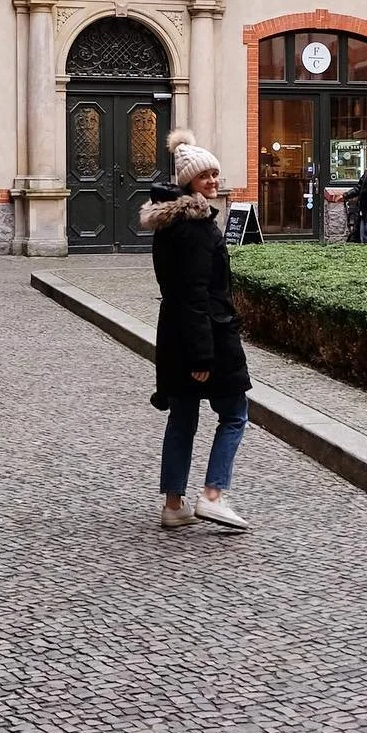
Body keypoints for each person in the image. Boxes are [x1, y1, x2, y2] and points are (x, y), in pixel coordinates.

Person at [140, 128, 252, 531]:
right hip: (208, 336)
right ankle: (213, 496)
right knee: (236, 413)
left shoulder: (172, 222)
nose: (214, 181)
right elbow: (196, 293)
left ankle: (174, 505)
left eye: (215, 174)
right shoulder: (194, 226)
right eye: (206, 176)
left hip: (175, 333)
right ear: (189, 181)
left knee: (183, 418)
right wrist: (202, 355)